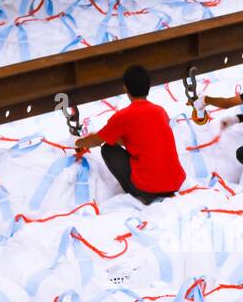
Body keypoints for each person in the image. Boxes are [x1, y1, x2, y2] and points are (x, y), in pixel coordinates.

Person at [74, 64, 186, 204]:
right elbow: (141, 137)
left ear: (125, 88)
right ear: (148, 87)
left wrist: (75, 142)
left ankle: (137, 191)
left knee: (108, 149)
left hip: (148, 188)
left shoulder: (123, 116)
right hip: (175, 183)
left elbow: (96, 141)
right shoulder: (160, 111)